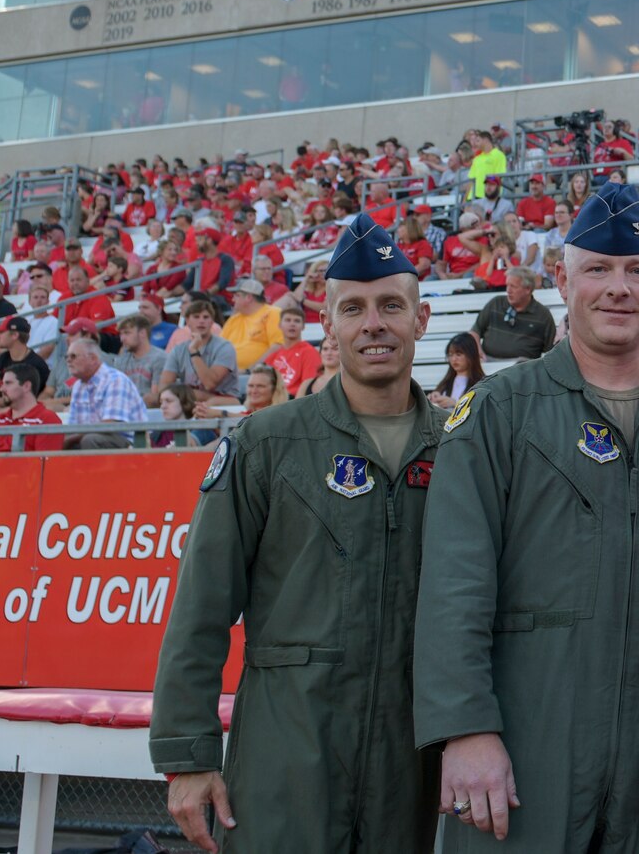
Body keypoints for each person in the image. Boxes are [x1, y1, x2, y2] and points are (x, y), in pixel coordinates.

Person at [417, 183, 639, 851]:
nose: (619, 287)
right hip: (526, 741)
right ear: (562, 278)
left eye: (637, 270)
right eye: (598, 269)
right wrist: (465, 730)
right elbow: (452, 579)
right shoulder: (500, 411)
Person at [154, 213, 441, 853]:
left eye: (392, 305)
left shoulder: (460, 449)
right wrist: (189, 756)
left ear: (420, 321)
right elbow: (201, 605)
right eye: (355, 308)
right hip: (286, 754)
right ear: (328, 325)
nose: (374, 324)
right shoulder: (266, 444)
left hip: (415, 763)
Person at [62, 335, 154, 450]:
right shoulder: (78, 386)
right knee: (60, 440)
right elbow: (73, 427)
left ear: (93, 359)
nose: (68, 360)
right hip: (94, 437)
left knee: (90, 440)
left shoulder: (115, 380)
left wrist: (70, 439)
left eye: (73, 356)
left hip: (131, 443)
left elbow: (110, 425)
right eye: (67, 356)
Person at [156, 298, 240, 407]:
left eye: (206, 317)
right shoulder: (178, 349)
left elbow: (210, 384)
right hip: (189, 399)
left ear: (212, 322)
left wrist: (194, 352)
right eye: (196, 317)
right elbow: (164, 385)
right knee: (151, 399)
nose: (201, 321)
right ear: (187, 321)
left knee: (190, 395)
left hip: (222, 399)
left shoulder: (224, 347)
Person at [470, 266, 555, 360]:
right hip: (488, 361)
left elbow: (551, 350)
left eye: (513, 286)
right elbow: (475, 332)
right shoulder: (495, 303)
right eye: (507, 285)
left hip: (524, 368)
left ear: (528, 289)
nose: (508, 290)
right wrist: (478, 351)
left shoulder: (542, 315)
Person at [0, 365, 66, 452]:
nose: (1, 389)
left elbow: (44, 463)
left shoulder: (48, 420)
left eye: (8, 383)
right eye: (2, 384)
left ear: (26, 386)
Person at [427, 331, 484, 409]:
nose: (454, 359)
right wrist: (433, 398)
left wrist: (456, 404)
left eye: (459, 354)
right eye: (450, 354)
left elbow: (480, 411)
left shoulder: (482, 385)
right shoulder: (445, 383)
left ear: (471, 355)